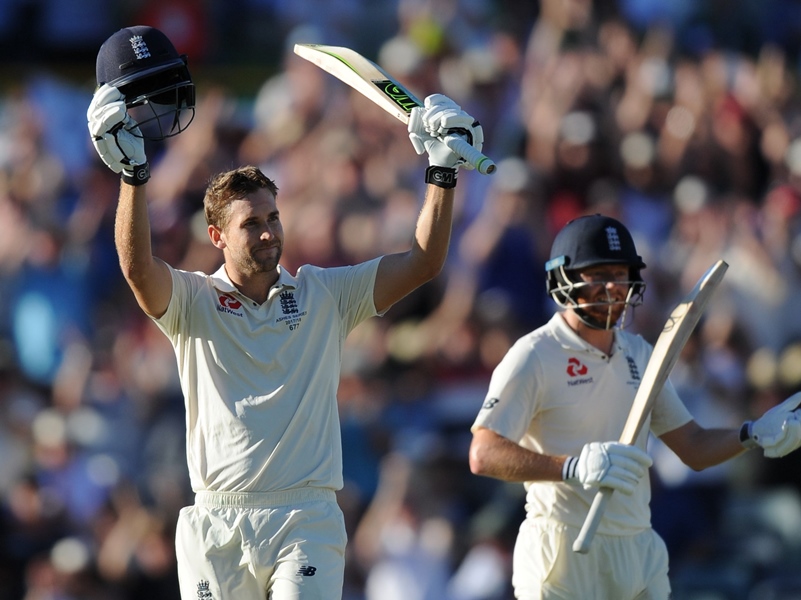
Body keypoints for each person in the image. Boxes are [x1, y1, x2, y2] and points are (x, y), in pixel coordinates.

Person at [86, 25, 486, 600]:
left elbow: (422, 263)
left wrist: (441, 175)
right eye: (253, 224)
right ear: (218, 235)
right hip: (217, 521)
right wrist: (133, 176)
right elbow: (137, 269)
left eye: (273, 218)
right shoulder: (193, 302)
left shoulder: (325, 294)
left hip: (305, 517)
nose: (270, 232)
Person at [468, 213, 801, 599]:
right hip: (563, 547)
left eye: (620, 273)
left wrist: (751, 433)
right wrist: (572, 468)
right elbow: (482, 453)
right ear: (563, 279)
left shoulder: (642, 354)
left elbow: (692, 445)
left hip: (636, 545)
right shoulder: (534, 354)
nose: (612, 286)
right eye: (598, 274)